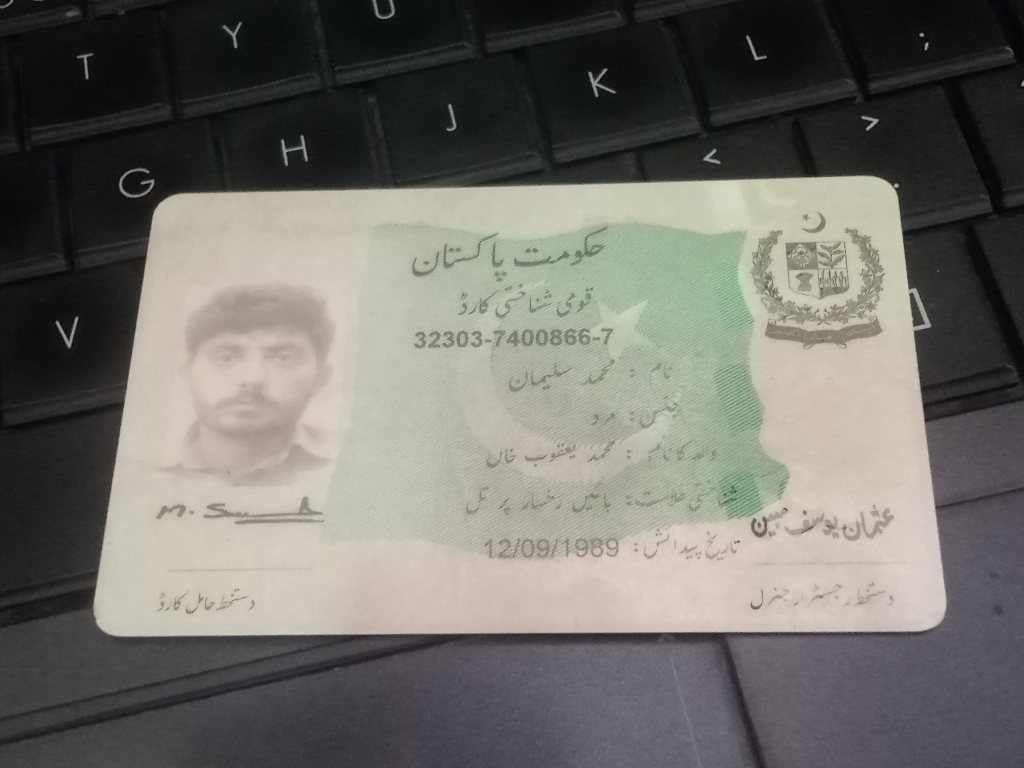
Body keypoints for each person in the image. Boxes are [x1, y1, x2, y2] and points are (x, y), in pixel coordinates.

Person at [166, 284, 335, 486]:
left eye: (284, 358)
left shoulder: (356, 460)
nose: (253, 379)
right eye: (225, 357)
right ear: (188, 375)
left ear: (320, 379)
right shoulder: (138, 471)